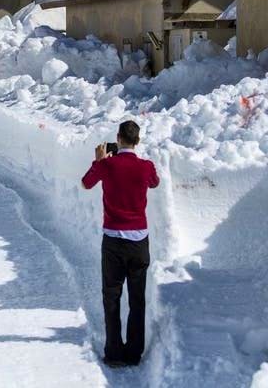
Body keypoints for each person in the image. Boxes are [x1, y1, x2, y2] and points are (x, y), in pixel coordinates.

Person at [81, 120, 160, 368]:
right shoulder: (145, 166)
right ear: (137, 141)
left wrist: (99, 160)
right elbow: (155, 182)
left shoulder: (107, 165)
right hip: (139, 242)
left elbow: (86, 183)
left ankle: (114, 352)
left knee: (112, 296)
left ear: (118, 138)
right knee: (137, 298)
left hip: (113, 240)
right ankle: (134, 353)